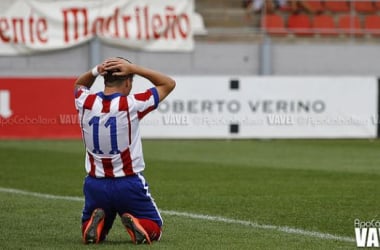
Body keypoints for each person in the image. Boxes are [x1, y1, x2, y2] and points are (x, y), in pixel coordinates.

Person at [74, 57, 176, 245]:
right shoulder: (131, 104)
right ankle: (140, 225)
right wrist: (134, 68)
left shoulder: (85, 101)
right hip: (128, 183)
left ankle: (94, 226)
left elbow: (80, 84)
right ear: (128, 81)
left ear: (104, 78)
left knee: (95, 225)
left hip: (95, 184)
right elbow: (168, 84)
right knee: (154, 226)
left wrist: (96, 70)